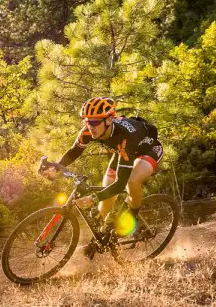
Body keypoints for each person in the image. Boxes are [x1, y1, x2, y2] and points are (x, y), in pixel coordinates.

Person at [42, 97, 164, 227]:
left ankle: (132, 214)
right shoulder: (88, 131)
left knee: (131, 181)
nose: (90, 126)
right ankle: (104, 237)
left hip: (148, 149)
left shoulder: (124, 137)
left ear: (109, 120)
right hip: (123, 151)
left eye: (95, 122)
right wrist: (56, 167)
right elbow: (74, 151)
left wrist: (94, 198)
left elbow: (120, 183)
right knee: (107, 195)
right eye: (87, 121)